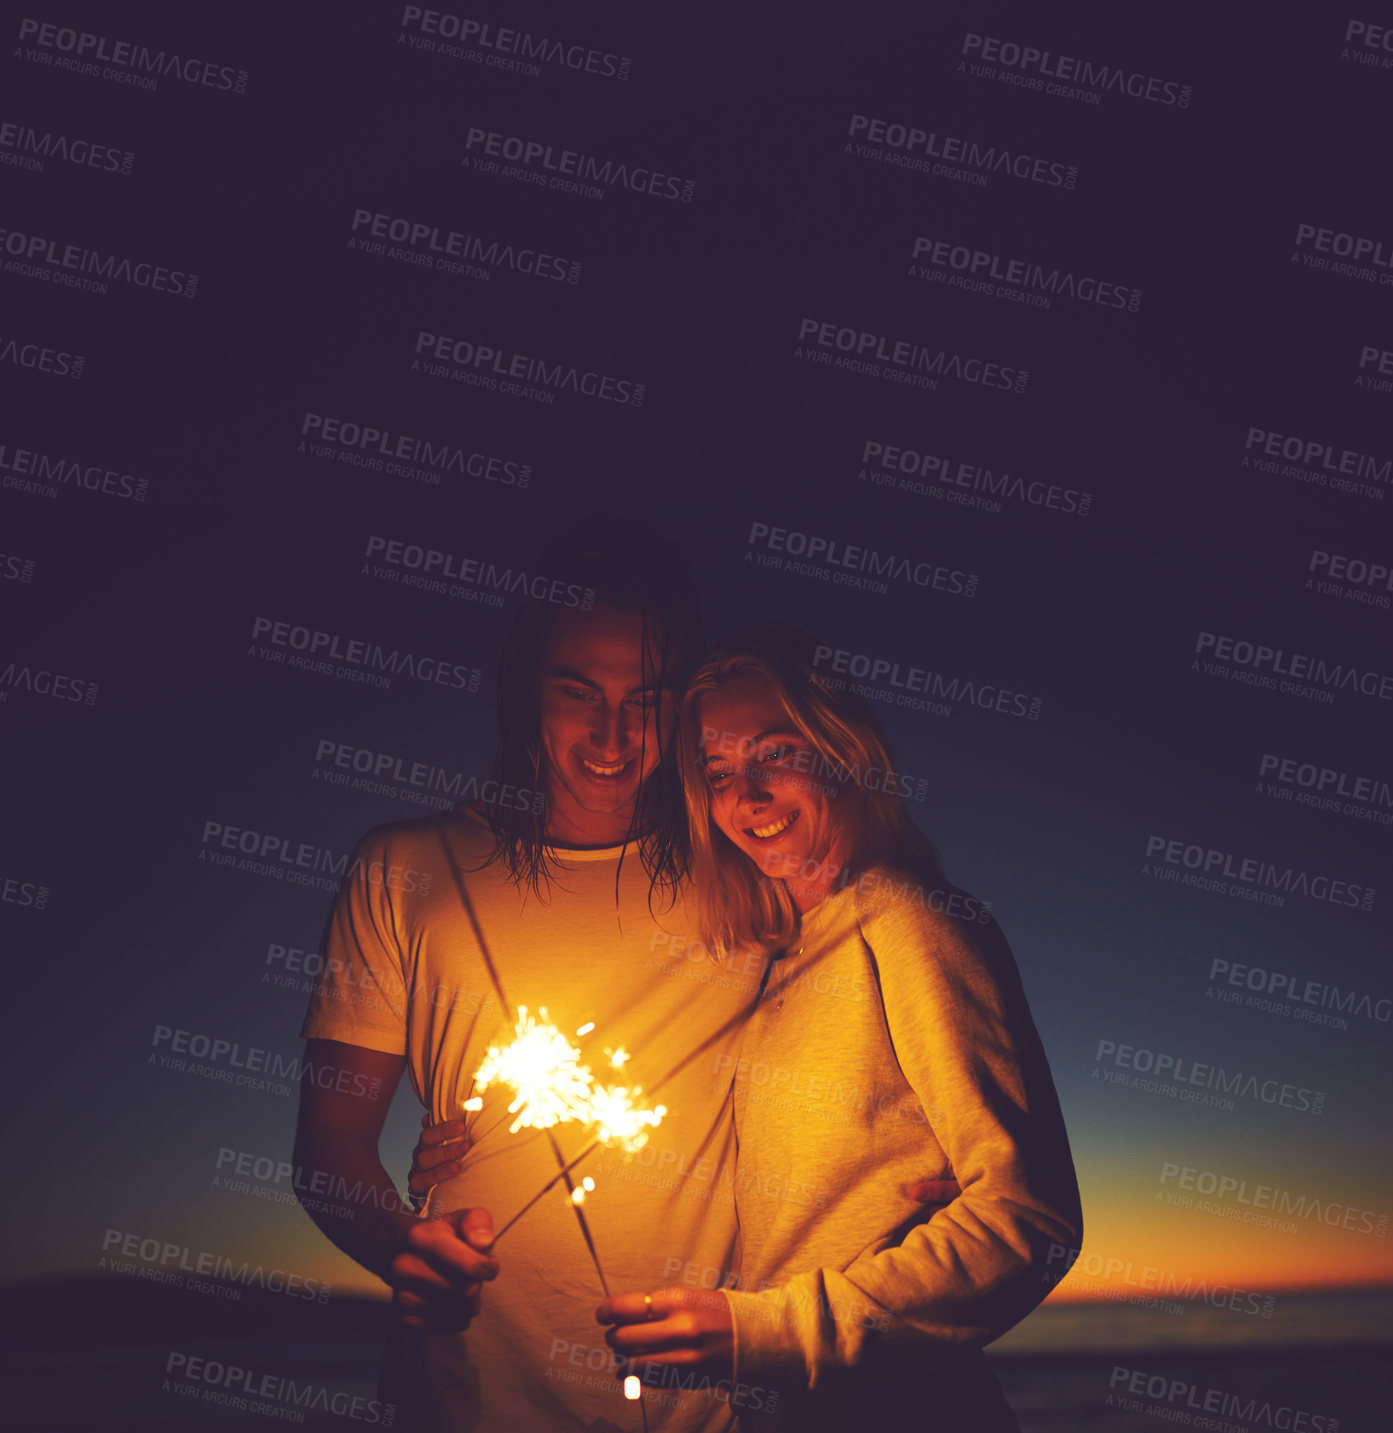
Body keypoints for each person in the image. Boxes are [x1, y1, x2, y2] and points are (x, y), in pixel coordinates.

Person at [292, 518, 768, 1432]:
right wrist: (404, 1247)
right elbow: (329, 1146)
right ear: (523, 687)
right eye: (577, 691)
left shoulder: (744, 865)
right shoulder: (405, 869)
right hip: (463, 1397)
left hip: (714, 1411)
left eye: (647, 698)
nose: (611, 733)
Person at [593, 624, 1084, 1430]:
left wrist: (764, 1332)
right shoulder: (777, 958)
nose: (745, 797)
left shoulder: (905, 916)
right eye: (717, 773)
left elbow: (1028, 1219)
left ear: (842, 750)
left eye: (774, 754)